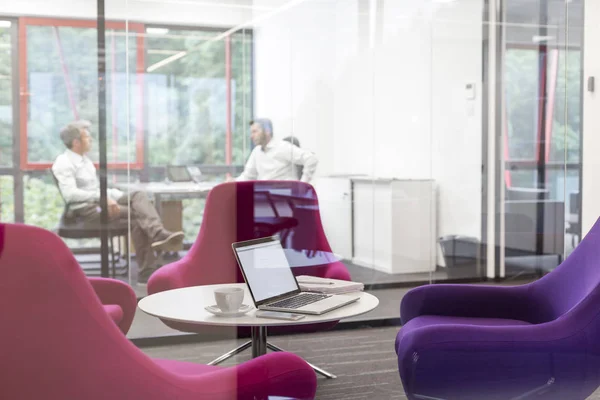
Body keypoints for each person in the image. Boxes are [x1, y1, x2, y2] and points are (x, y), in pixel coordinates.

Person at [51, 120, 184, 284]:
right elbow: (70, 195)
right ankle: (148, 268)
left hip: (100, 203)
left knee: (138, 196)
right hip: (85, 212)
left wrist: (114, 196)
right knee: (137, 217)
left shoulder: (85, 161)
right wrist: (103, 199)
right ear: (76, 142)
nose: (91, 139)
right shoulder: (63, 163)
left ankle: (157, 234)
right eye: (87, 137)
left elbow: (97, 189)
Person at [235, 118, 318, 182]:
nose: (251, 136)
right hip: (265, 196)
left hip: (285, 196)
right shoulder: (256, 151)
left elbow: (311, 159)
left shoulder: (282, 147)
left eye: (255, 132)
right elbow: (248, 176)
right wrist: (233, 182)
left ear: (267, 131)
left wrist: (303, 184)